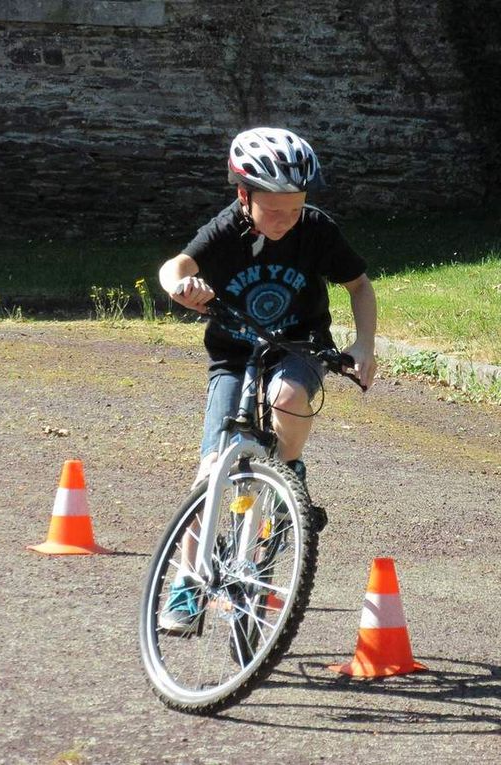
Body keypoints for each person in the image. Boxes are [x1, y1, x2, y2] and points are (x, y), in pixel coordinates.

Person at [156, 127, 377, 632]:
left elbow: (360, 286)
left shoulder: (316, 230)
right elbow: (178, 265)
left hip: (297, 345)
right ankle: (188, 584)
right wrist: (178, 286)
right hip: (234, 353)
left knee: (288, 396)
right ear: (243, 196)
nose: (284, 221)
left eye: (294, 209)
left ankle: (289, 472)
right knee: (212, 469)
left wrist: (364, 345)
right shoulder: (226, 228)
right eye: (272, 210)